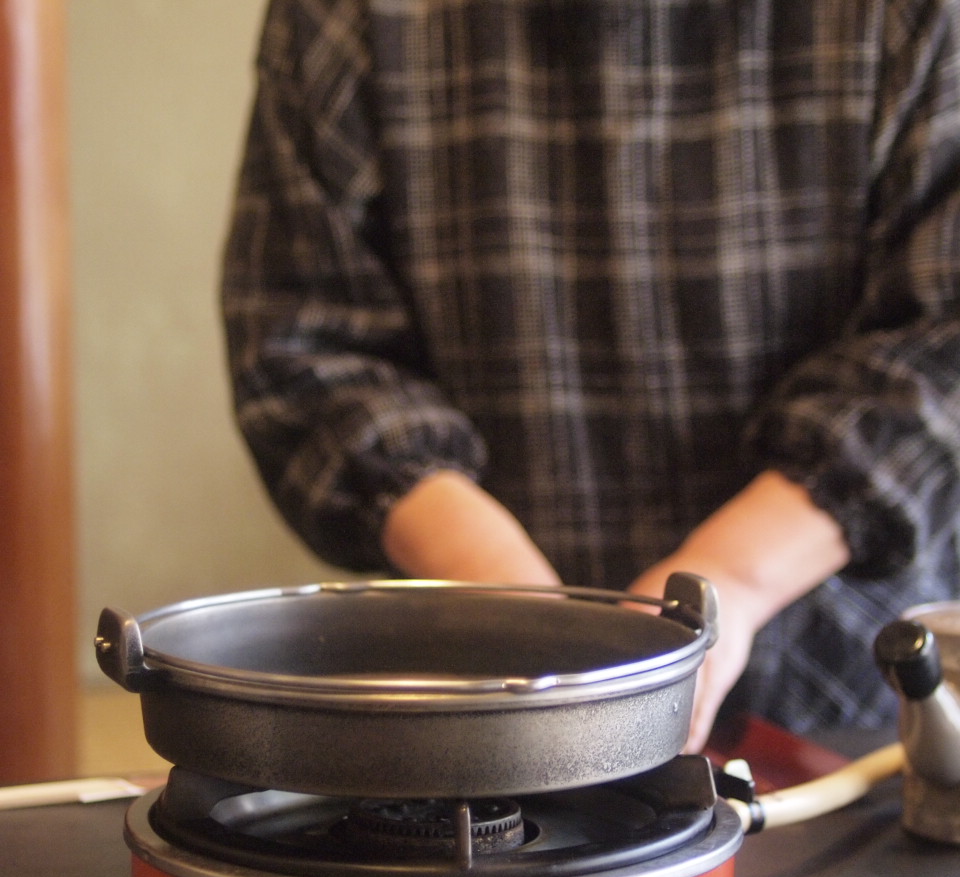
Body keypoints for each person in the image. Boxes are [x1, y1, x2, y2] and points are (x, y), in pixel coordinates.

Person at [222, 0, 960, 751]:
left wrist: (730, 578)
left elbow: (943, 345)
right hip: (482, 695)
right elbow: (305, 348)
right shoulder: (345, 16)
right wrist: (515, 601)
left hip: (852, 692)